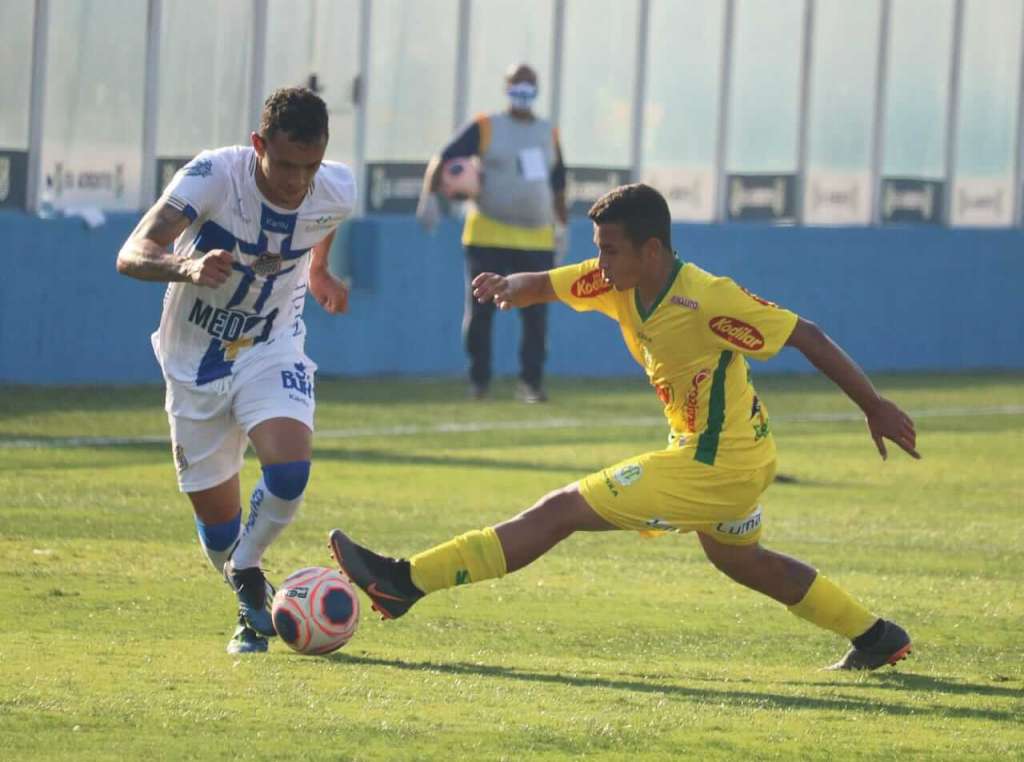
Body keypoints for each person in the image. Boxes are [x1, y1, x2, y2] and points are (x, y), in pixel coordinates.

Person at [328, 183, 920, 671]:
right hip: (725, 455)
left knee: (561, 510)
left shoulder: (708, 299)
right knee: (744, 561)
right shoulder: (621, 282)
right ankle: (876, 636)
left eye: (610, 250)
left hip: (719, 463)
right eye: (599, 248)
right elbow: (550, 283)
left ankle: (404, 581)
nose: (600, 262)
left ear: (653, 250)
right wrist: (511, 287)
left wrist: (873, 405)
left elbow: (805, 334)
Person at [116, 87, 355, 654]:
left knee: (290, 469)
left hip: (271, 344)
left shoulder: (335, 188)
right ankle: (248, 600)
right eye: (286, 165)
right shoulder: (212, 177)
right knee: (218, 526)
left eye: (311, 166)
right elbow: (131, 253)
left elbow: (326, 218)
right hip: (192, 361)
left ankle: (247, 569)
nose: (299, 181)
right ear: (257, 145)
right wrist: (186, 265)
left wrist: (319, 270)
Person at [416, 62, 568, 403]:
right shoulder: (487, 126)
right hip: (487, 233)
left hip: (536, 237)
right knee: (481, 312)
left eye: (529, 85)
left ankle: (531, 383)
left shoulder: (548, 131)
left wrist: (562, 226)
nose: (523, 92)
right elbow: (444, 156)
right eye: (517, 85)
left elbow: (558, 182)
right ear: (506, 88)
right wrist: (428, 196)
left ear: (538, 88)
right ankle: (479, 381)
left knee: (536, 317)